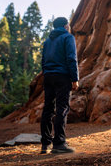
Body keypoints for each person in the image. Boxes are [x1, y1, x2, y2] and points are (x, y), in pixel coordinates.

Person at [40, 17, 79, 154]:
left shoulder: (47, 41)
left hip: (48, 77)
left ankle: (45, 144)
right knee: (62, 108)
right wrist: (75, 79)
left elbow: (43, 61)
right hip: (62, 76)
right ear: (65, 25)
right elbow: (71, 58)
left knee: (48, 109)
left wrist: (46, 73)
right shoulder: (68, 38)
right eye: (68, 24)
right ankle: (59, 143)